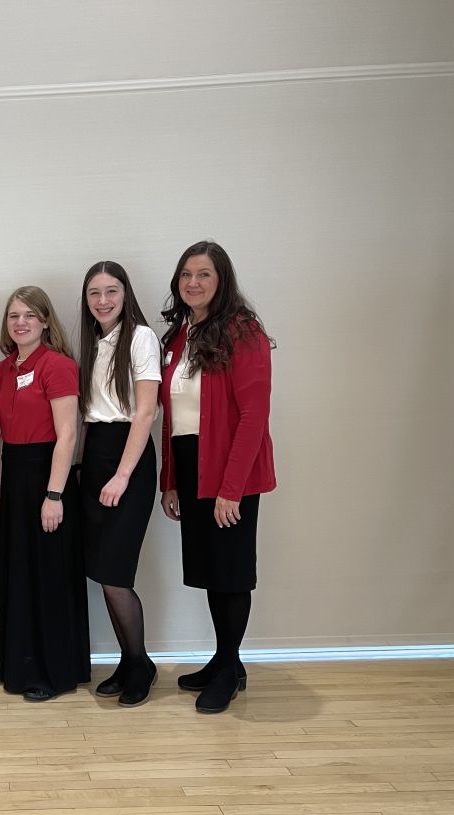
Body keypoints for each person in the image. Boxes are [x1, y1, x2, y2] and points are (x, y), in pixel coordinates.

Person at [159, 241, 276, 714]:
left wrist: (231, 490)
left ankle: (228, 670)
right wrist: (169, 480)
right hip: (191, 464)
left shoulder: (242, 332)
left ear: (221, 279)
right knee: (212, 570)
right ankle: (226, 659)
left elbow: (253, 416)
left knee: (231, 574)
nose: (193, 283)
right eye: (186, 274)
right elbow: (173, 418)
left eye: (204, 274)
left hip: (232, 470)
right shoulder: (182, 335)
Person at [0, 286, 91, 701]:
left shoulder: (58, 365)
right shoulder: (5, 367)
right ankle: (20, 665)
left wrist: (54, 495)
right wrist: (0, 484)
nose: (21, 323)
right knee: (20, 572)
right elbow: (4, 432)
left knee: (48, 575)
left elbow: (68, 434)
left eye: (30, 315)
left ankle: (52, 673)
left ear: (46, 321)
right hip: (15, 475)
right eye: (14, 316)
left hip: (47, 476)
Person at [76, 261, 163, 707]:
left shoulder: (141, 338)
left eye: (111, 291)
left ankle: (141, 663)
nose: (103, 301)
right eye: (94, 293)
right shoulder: (93, 341)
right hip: (95, 458)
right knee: (103, 573)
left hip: (127, 457)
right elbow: (90, 412)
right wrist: (80, 466)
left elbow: (145, 413)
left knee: (115, 574)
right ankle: (130, 662)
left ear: (126, 293)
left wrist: (122, 476)